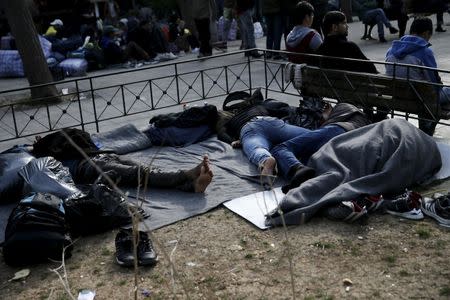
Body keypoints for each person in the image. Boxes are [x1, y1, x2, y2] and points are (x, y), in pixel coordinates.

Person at [31, 129, 213, 193]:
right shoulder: (43, 156)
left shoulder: (53, 143)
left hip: (103, 156)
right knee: (138, 174)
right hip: (88, 167)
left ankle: (191, 187)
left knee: (144, 170)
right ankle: (187, 175)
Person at [385, 17, 450, 135]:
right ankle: (427, 127)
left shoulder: (391, 50)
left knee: (423, 89)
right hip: (420, 97)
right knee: (445, 92)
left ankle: (427, 124)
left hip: (397, 95)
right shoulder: (424, 51)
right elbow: (434, 83)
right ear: (426, 33)